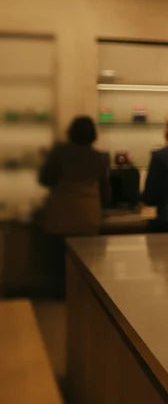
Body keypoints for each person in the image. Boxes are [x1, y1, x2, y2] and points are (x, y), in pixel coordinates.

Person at [26, 117, 110, 297]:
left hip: (61, 215)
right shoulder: (101, 158)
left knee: (58, 261)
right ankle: (79, 296)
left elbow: (45, 179)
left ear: (70, 132)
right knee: (85, 263)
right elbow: (106, 193)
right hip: (88, 217)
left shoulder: (59, 153)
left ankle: (59, 295)